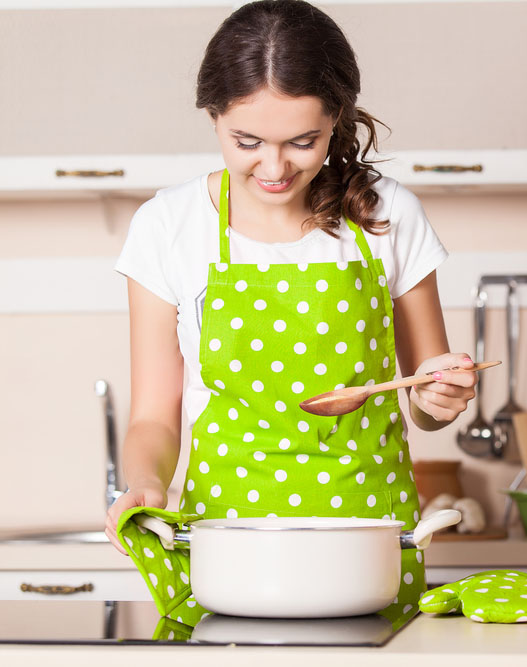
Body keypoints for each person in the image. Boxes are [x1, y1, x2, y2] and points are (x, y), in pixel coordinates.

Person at [104, 0, 477, 603]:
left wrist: (442, 392)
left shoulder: (388, 213)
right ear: (213, 116)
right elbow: (153, 414)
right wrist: (145, 480)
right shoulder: (167, 226)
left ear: (336, 119)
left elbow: (426, 403)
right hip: (228, 542)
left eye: (303, 142)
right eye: (246, 140)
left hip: (370, 543)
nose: (274, 167)